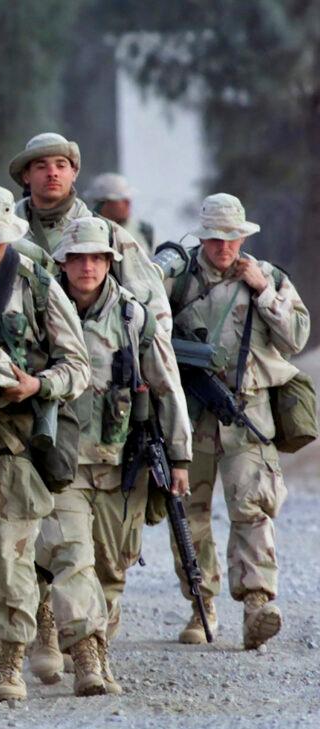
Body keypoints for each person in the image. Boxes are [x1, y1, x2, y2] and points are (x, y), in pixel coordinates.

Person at [0, 184, 90, 703]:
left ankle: (11, 662)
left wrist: (37, 385)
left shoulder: (36, 283)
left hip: (13, 435)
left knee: (13, 555)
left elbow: (77, 366)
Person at [153, 193, 309, 650]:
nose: (225, 247)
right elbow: (147, 325)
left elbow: (297, 337)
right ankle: (201, 606)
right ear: (202, 237)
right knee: (189, 512)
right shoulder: (177, 281)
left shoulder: (269, 277)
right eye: (216, 238)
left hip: (247, 412)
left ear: (244, 236)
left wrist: (263, 291)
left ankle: (258, 604)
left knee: (252, 508)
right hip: (192, 415)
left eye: (233, 237)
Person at [44, 216, 191, 694]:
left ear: (110, 262)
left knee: (111, 567)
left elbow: (167, 388)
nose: (87, 267)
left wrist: (181, 458)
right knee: (72, 558)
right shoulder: (41, 308)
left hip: (119, 465)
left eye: (96, 258)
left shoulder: (134, 318)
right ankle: (87, 655)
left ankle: (98, 644)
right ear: (62, 262)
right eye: (77, 258)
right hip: (60, 466)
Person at [9, 132, 170, 332]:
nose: (52, 173)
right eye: (41, 166)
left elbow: (154, 309)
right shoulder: (4, 233)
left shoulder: (107, 234)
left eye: (61, 165)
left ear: (74, 172)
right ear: (26, 175)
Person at [86, 173, 155, 254]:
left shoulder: (143, 231)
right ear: (103, 203)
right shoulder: (85, 232)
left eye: (128, 198)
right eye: (121, 198)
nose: (128, 202)